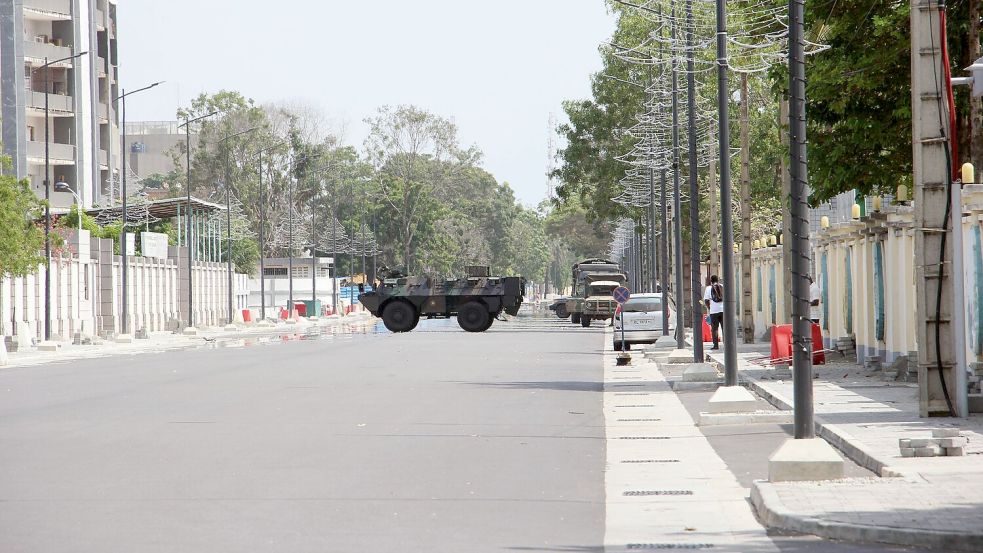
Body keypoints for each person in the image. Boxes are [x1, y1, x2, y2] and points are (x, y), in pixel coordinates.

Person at [703, 274, 724, 350]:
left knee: (714, 328)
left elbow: (706, 300)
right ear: (717, 280)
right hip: (723, 311)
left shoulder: (708, 288)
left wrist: (709, 308)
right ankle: (727, 344)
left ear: (711, 281)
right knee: (724, 327)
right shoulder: (722, 286)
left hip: (714, 311)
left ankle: (716, 345)